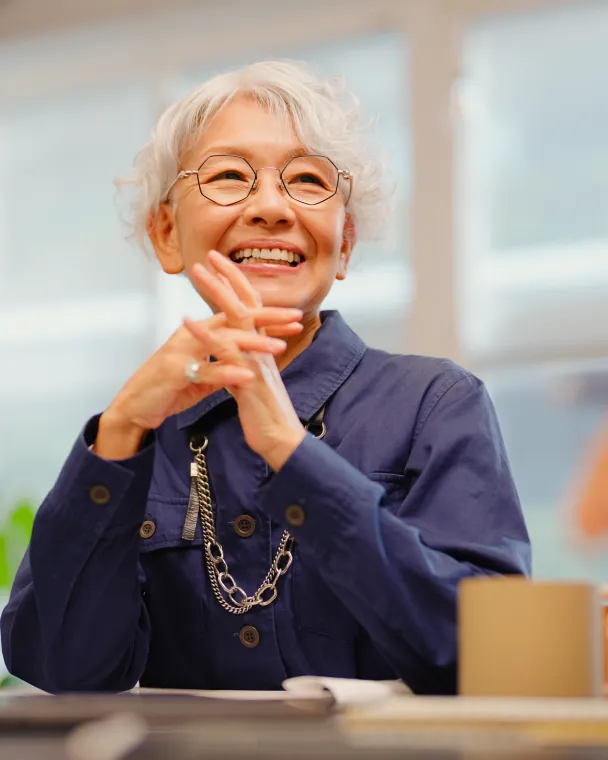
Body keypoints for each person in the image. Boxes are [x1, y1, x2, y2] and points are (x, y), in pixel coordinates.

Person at [0, 60, 531, 696]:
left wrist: (288, 447)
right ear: (167, 234)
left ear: (346, 241)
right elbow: (61, 668)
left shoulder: (436, 404)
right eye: (229, 177)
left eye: (307, 181)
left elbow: (494, 655)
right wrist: (118, 433)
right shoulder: (134, 437)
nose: (273, 208)